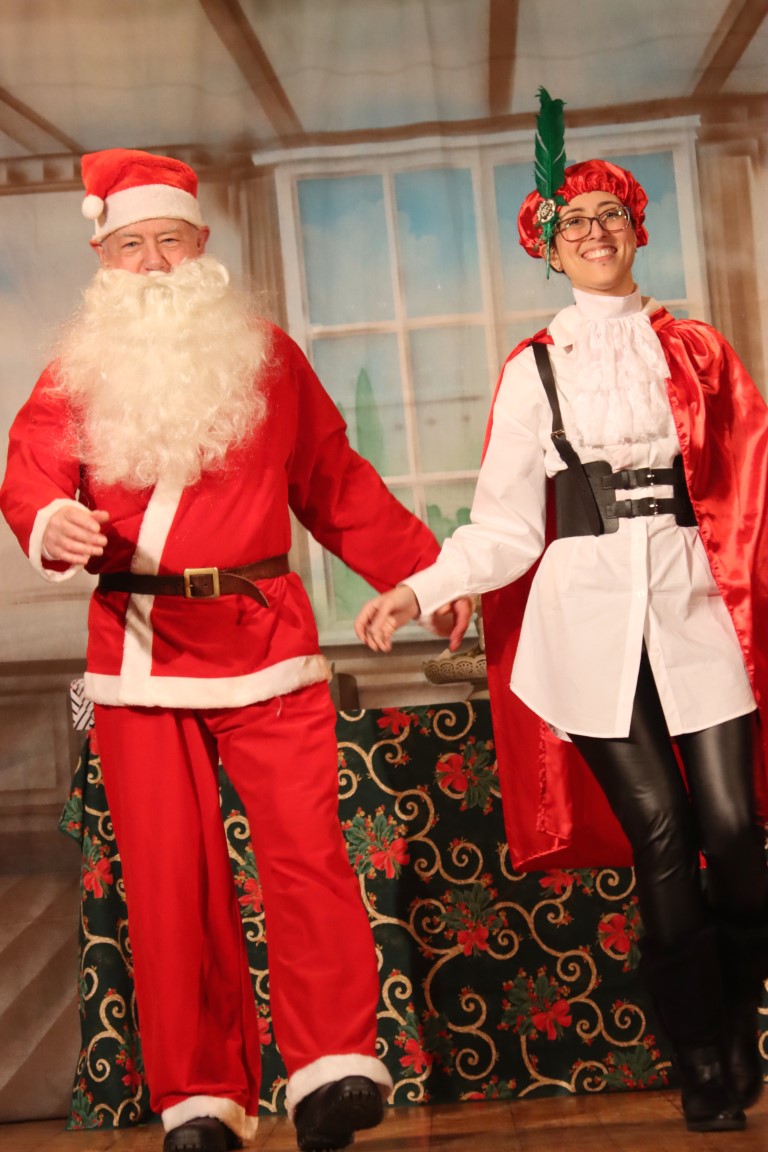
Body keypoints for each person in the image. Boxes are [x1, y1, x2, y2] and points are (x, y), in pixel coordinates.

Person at [0, 148, 471, 1152]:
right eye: (131, 245)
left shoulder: (267, 356)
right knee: (171, 882)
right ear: (103, 258)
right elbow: (30, 468)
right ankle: (202, 1097)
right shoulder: (78, 369)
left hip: (265, 635)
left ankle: (332, 1069)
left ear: (203, 245)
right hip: (138, 647)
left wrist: (429, 577)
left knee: (306, 858)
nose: (153, 262)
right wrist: (48, 521)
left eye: (170, 240)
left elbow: (335, 481)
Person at [355, 138, 768, 1132]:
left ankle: (739, 1021)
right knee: (661, 832)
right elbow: (504, 527)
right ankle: (700, 1059)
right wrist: (418, 589)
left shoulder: (697, 349)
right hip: (585, 621)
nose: (592, 232)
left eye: (608, 216)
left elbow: (754, 478)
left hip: (696, 601)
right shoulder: (533, 370)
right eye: (571, 222)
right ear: (548, 247)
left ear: (638, 231)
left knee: (733, 828)